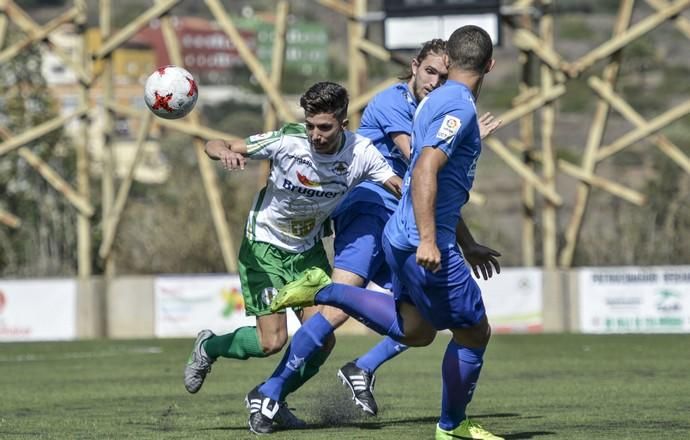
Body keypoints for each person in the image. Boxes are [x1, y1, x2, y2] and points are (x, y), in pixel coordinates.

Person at [249, 38, 501, 422]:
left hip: (406, 219)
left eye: (442, 74)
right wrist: (467, 137)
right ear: (415, 66)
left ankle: (361, 367)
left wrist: (467, 243)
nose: (435, 80)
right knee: (336, 308)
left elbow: (432, 192)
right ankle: (270, 392)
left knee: (422, 325)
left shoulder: (432, 108)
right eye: (429, 71)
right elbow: (420, 161)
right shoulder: (394, 103)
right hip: (370, 209)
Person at [182, 81, 402, 434]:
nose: (315, 134)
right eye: (310, 125)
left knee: (322, 339)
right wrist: (224, 152)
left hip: (308, 253)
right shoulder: (287, 141)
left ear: (343, 122)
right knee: (272, 341)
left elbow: (398, 186)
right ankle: (210, 346)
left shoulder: (362, 153)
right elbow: (215, 144)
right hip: (263, 248)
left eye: (325, 127)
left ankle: (275, 399)